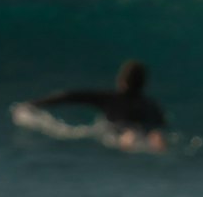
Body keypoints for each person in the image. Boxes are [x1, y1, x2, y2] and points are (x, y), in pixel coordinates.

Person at [33, 60, 167, 151]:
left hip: (120, 125)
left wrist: (37, 103)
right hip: (147, 125)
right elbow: (162, 123)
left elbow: (71, 96)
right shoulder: (151, 104)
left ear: (122, 81)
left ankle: (127, 144)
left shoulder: (110, 98)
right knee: (154, 134)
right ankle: (158, 145)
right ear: (144, 83)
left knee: (127, 133)